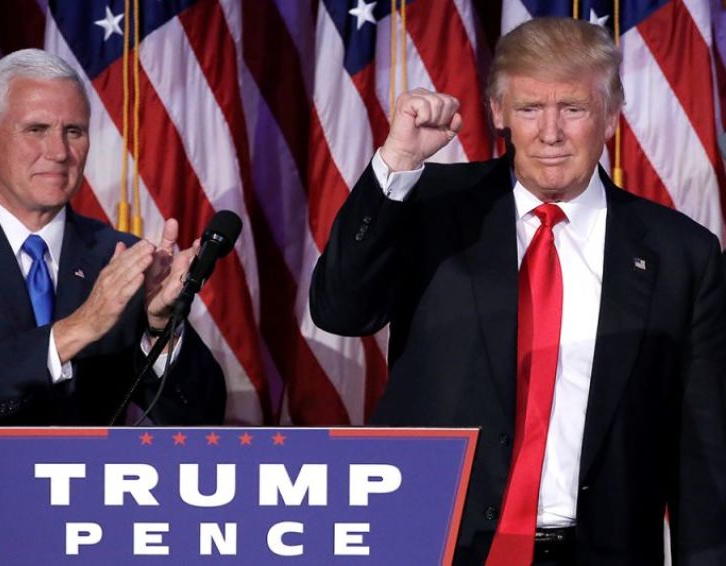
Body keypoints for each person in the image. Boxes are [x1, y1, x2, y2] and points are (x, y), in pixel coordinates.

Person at [311, 17, 726, 565]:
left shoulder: (682, 254)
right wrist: (399, 162)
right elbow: (340, 309)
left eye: (573, 109)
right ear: (499, 113)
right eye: (530, 109)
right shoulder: (431, 207)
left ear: (610, 116)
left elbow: (702, 455)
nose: (550, 133)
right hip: (432, 545)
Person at [0, 49, 226, 565]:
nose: (59, 152)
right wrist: (77, 329)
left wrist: (160, 325)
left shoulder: (120, 259)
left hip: (83, 538)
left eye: (74, 131)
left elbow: (199, 415)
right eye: (36, 129)